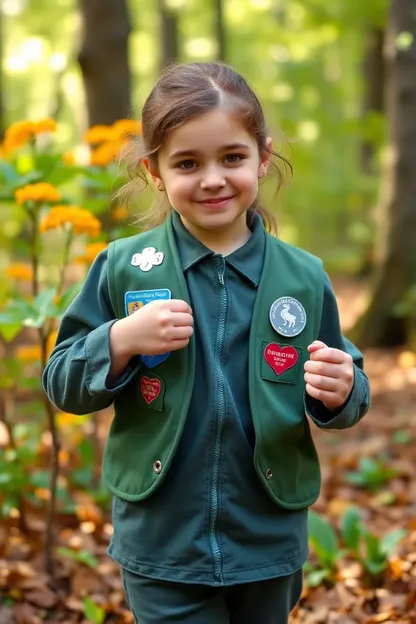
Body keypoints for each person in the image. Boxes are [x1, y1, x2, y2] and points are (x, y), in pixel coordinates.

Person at [43, 62, 370, 624]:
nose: (213, 178)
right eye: (188, 163)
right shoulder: (124, 268)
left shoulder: (302, 276)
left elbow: (348, 383)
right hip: (162, 540)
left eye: (232, 158)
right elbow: (61, 381)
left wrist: (342, 389)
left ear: (263, 157)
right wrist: (118, 340)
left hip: (268, 536)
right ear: (155, 171)